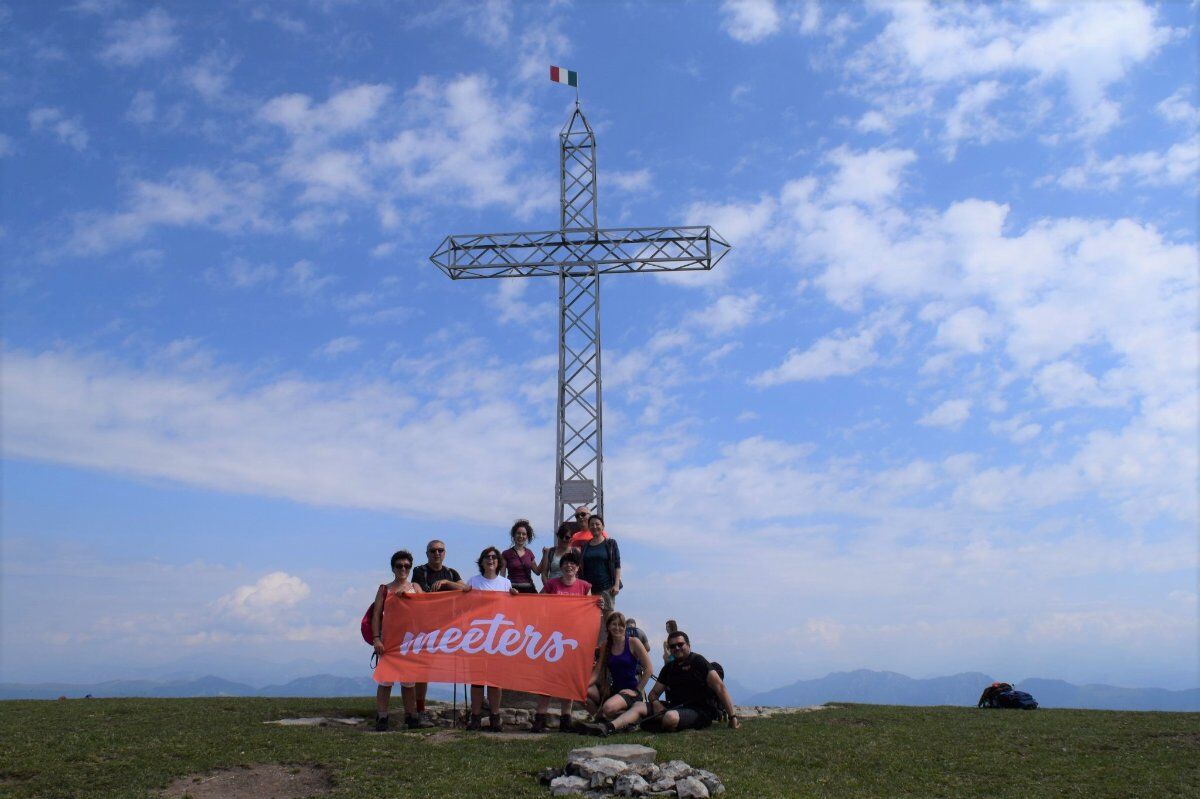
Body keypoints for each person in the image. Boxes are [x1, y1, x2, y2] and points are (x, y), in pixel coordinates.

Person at [582, 629, 739, 736]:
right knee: (639, 705)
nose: (677, 648)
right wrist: (656, 703)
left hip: (699, 710)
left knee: (670, 717)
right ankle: (608, 727)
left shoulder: (699, 662)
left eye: (680, 644)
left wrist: (732, 717)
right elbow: (653, 693)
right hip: (674, 706)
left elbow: (720, 687)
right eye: (673, 646)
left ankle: (647, 724)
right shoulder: (669, 668)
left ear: (688, 645)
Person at [370, 550, 434, 731]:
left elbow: (427, 609)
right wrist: (376, 639)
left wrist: (410, 598)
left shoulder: (415, 587)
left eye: (407, 566)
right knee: (386, 681)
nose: (403, 569)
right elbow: (376, 615)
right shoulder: (384, 589)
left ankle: (410, 715)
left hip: (410, 642)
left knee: (409, 682)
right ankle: (382, 717)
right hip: (389, 642)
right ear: (393, 568)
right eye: (399, 566)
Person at [532, 551, 592, 732]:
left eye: (573, 563)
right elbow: (536, 602)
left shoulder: (584, 586)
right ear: (561, 567)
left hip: (574, 639)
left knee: (568, 679)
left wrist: (599, 605)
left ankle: (566, 719)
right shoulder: (552, 584)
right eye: (566, 563)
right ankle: (540, 718)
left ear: (578, 568)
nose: (569, 566)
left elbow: (590, 610)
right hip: (553, 638)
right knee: (548, 678)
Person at [462, 546, 518, 731]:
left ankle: (495, 717)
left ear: (498, 561)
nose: (490, 559)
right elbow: (465, 606)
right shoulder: (474, 581)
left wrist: (515, 597)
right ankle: (475, 717)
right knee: (477, 680)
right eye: (487, 557)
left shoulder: (506, 583)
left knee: (495, 680)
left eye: (494, 557)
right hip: (477, 636)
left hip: (498, 637)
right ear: (482, 561)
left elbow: (511, 610)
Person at [410, 540, 465, 720]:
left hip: (448, 627)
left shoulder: (451, 573)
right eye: (433, 551)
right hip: (426, 626)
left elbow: (466, 588)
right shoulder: (420, 571)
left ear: (445, 553)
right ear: (427, 554)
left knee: (452, 664)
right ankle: (420, 709)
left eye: (440, 550)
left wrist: (447, 583)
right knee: (423, 669)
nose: (437, 553)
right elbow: (419, 593)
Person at [584, 612, 655, 725]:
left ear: (625, 627)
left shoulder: (633, 642)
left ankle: (633, 716)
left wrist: (637, 691)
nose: (617, 628)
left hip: (630, 691)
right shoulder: (606, 645)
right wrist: (583, 686)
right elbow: (597, 671)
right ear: (608, 626)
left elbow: (649, 669)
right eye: (614, 624)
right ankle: (602, 719)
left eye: (621, 625)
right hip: (613, 690)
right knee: (580, 693)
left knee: (608, 708)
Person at [579, 514, 620, 615]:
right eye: (592, 524)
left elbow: (617, 565)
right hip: (589, 589)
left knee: (607, 618)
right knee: (591, 618)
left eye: (597, 524)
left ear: (603, 526)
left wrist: (616, 585)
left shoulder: (610, 544)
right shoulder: (585, 546)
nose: (594, 526)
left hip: (607, 588)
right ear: (589, 527)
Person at [500, 519, 541, 594]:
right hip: (513, 590)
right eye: (518, 533)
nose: (521, 536)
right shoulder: (506, 553)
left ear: (527, 536)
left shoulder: (529, 553)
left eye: (524, 534)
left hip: (528, 589)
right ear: (514, 535)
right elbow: (502, 576)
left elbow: (537, 572)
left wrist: (545, 556)